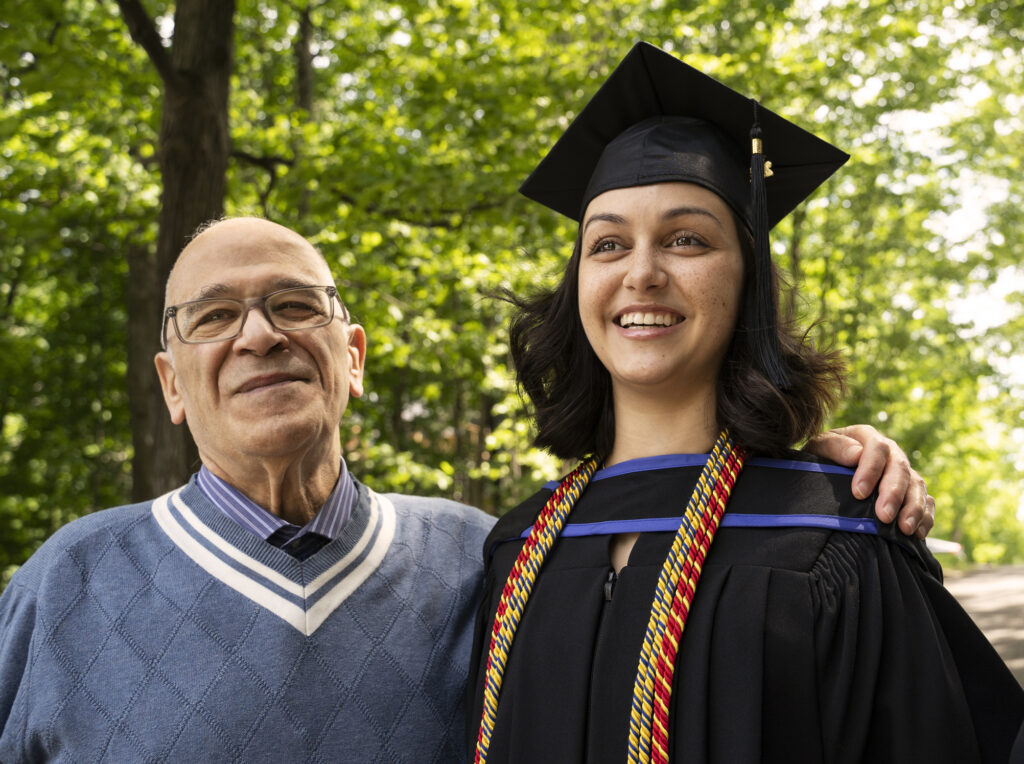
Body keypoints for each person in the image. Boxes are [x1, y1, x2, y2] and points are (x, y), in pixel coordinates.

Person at [0, 227, 929, 756]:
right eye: (213, 317)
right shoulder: (63, 586)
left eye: (294, 305)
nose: (258, 336)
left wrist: (817, 471)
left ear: (352, 356)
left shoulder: (490, 562)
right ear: (170, 383)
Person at [468, 43, 1024, 763]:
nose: (641, 273)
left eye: (687, 239)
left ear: (748, 279)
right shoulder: (517, 547)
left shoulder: (835, 534)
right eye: (607, 244)